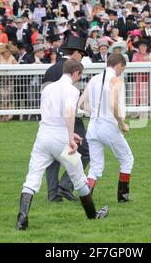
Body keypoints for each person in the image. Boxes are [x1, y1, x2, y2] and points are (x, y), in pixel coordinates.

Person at [15, 59, 109, 230]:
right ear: (76, 73)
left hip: (43, 136)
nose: (79, 79)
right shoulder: (72, 90)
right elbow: (68, 113)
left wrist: (69, 133)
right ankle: (92, 214)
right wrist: (70, 138)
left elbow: (51, 114)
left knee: (32, 178)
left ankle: (21, 220)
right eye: (79, 76)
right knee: (79, 178)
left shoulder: (48, 88)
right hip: (61, 139)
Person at [78, 53, 134, 202]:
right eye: (122, 68)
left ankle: (86, 196)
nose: (122, 71)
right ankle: (123, 197)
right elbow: (113, 104)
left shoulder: (94, 78)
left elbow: (81, 104)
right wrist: (122, 123)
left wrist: (94, 112)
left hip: (93, 126)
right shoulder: (116, 79)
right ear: (119, 65)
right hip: (108, 125)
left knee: (95, 167)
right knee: (127, 159)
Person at [43, 36, 90, 202]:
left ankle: (53, 195)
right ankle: (65, 186)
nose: (81, 59)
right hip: (70, 119)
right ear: (76, 53)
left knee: (52, 157)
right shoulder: (71, 71)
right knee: (85, 153)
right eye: (81, 55)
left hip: (50, 121)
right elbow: (71, 102)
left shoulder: (50, 70)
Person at [0, 43, 18, 122]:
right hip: (1, 80)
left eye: (9, 51)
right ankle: (1, 115)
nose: (8, 53)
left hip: (9, 80)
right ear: (3, 51)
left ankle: (6, 115)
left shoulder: (12, 57)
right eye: (6, 51)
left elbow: (17, 65)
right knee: (1, 97)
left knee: (8, 98)